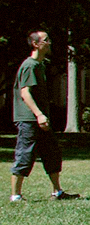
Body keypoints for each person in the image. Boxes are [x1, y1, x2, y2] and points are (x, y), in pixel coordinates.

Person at [10, 30, 79, 202]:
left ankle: (58, 192)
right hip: (29, 120)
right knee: (25, 155)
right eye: (46, 40)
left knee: (52, 153)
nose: (50, 42)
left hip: (40, 120)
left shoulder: (40, 65)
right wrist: (39, 115)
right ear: (35, 44)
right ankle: (16, 196)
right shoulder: (30, 65)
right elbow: (25, 93)